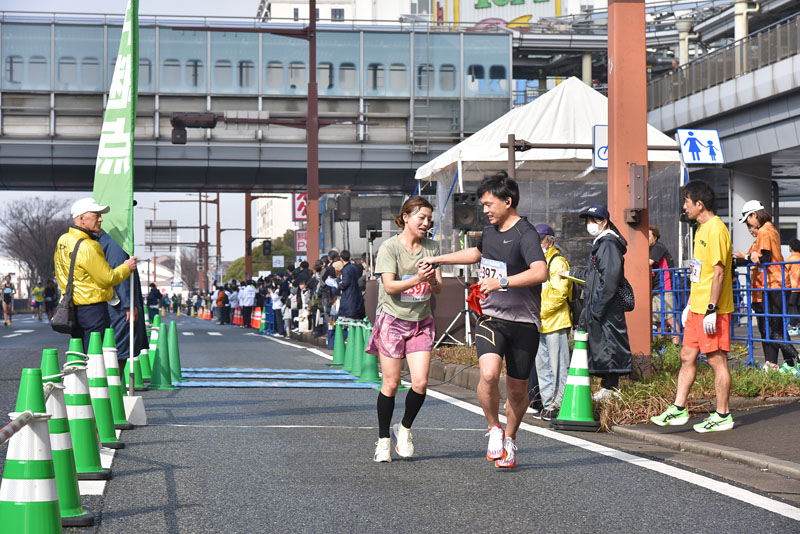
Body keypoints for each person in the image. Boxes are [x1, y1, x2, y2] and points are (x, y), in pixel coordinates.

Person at [420, 173, 546, 468]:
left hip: (524, 322)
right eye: (483, 204)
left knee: (517, 390)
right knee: (488, 374)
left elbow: (540, 272)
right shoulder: (489, 232)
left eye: (489, 204)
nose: (485, 210)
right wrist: (438, 259)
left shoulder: (525, 234)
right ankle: (494, 428)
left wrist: (502, 282)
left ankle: (510, 439)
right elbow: (476, 254)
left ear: (508, 201)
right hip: (491, 317)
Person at [651, 181, 735, 432]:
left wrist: (711, 308)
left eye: (687, 202)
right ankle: (678, 408)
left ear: (700, 204)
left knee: (717, 361)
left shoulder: (716, 229)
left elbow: (719, 273)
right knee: (686, 355)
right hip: (697, 307)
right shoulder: (700, 229)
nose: (684, 207)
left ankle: (723, 415)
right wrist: (690, 303)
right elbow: (699, 273)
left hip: (713, 309)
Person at [367, 195, 442, 463]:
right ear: (406, 217)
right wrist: (418, 278)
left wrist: (432, 281)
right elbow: (389, 286)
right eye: (421, 218)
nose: (426, 223)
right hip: (393, 321)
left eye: (429, 219)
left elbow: (438, 288)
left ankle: (404, 429)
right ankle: (383, 440)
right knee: (391, 383)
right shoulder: (390, 248)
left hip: (421, 321)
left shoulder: (432, 247)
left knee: (420, 382)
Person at [567, 205, 632, 402]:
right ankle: (607, 387)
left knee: (609, 345)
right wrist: (572, 273)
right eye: (587, 221)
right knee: (603, 347)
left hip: (606, 309)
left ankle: (612, 389)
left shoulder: (608, 244)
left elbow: (609, 278)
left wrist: (598, 308)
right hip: (601, 308)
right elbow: (594, 276)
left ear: (604, 222)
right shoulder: (602, 244)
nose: (589, 225)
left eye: (593, 221)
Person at [54, 198, 136, 352]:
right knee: (95, 356)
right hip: (93, 310)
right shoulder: (89, 246)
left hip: (71, 306)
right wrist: (127, 267)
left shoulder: (63, 240)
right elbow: (108, 279)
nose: (101, 219)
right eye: (96, 215)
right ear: (82, 218)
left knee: (79, 353)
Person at [737, 200, 797, 373]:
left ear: (754, 215)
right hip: (772, 284)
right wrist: (745, 257)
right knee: (772, 328)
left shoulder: (764, 230)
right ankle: (782, 363)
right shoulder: (770, 229)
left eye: (748, 221)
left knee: (772, 329)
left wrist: (747, 257)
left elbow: (764, 257)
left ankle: (793, 359)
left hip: (772, 284)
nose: (749, 227)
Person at [531, 224, 572, 421]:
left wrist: (539, 313)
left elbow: (560, 294)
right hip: (541, 322)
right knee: (543, 366)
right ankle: (548, 404)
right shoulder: (537, 262)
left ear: (550, 241)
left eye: (540, 240)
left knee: (558, 367)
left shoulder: (558, 262)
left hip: (556, 322)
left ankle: (559, 404)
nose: (538, 244)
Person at [99, 229, 147, 369]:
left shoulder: (102, 240)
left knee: (111, 349)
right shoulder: (115, 242)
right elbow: (120, 276)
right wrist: (128, 304)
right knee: (118, 350)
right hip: (118, 306)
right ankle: (113, 383)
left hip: (109, 303)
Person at [649, 225, 678, 342]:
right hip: (656, 288)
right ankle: (662, 347)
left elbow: (649, 262)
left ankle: (676, 347)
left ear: (655, 237)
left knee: (670, 319)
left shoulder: (658, 247)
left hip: (665, 287)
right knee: (659, 321)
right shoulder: (650, 249)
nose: (646, 239)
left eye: (649, 236)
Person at [337, 249, 366, 321]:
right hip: (357, 299)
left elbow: (345, 284)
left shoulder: (345, 269)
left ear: (341, 258)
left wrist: (338, 285)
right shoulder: (355, 268)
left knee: (349, 323)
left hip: (349, 300)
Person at [785, 239, 800, 334]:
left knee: (792, 306)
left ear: (791, 247)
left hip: (794, 286)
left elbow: (784, 270)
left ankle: (794, 327)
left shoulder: (791, 258)